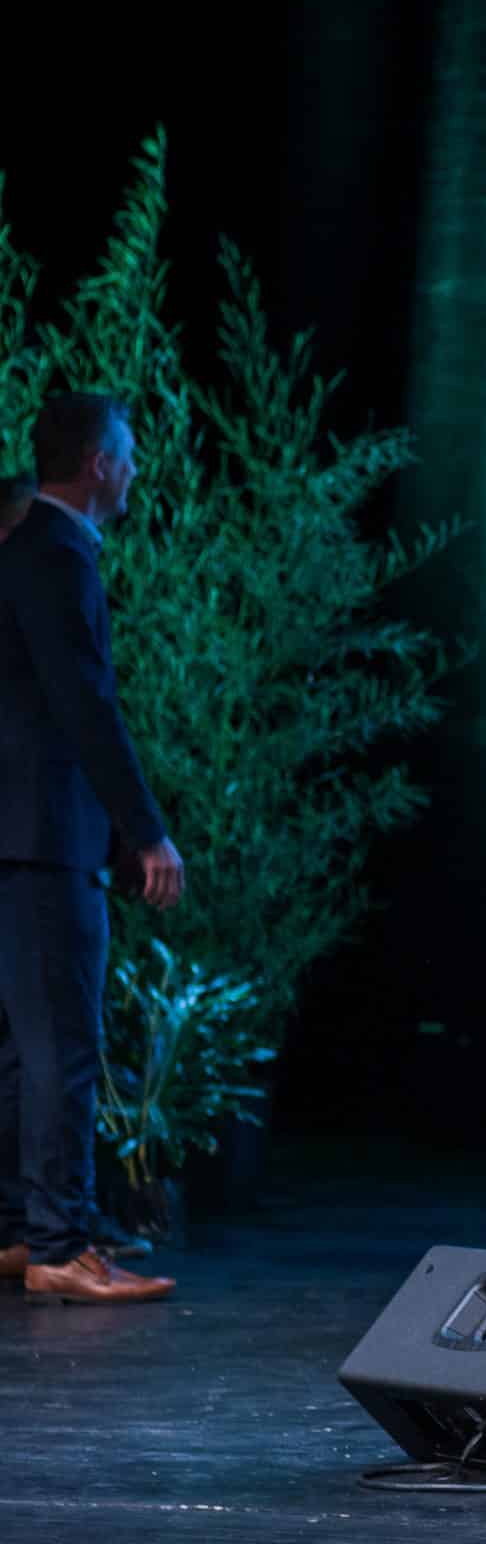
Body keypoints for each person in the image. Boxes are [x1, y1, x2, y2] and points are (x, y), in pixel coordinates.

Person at [0, 395, 184, 1304]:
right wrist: (145, 828)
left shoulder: (20, 548)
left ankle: (19, 1228)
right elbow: (84, 704)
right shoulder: (56, 551)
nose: (139, 470)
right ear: (99, 463)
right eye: (130, 454)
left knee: (19, 1046)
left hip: (15, 836)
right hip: (44, 837)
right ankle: (61, 1246)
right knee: (64, 1044)